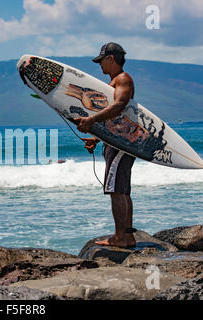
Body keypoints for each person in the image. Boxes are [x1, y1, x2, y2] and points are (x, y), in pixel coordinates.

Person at [74, 43, 136, 248]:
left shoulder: (123, 79)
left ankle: (120, 237)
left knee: (115, 190)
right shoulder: (114, 81)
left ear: (110, 59)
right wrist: (97, 138)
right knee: (123, 191)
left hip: (120, 145)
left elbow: (119, 106)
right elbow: (117, 121)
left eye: (101, 61)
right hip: (119, 141)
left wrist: (91, 121)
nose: (99, 65)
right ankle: (127, 235)